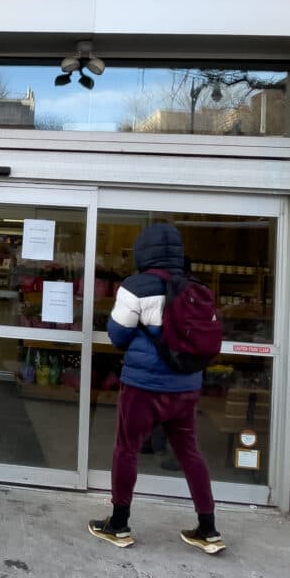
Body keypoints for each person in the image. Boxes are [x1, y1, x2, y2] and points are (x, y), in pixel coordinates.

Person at [87, 223, 226, 555]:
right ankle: (208, 529)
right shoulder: (196, 288)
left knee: (127, 449)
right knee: (190, 453)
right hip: (186, 387)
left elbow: (118, 336)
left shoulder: (135, 287)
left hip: (143, 387)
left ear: (143, 251)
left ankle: (119, 524)